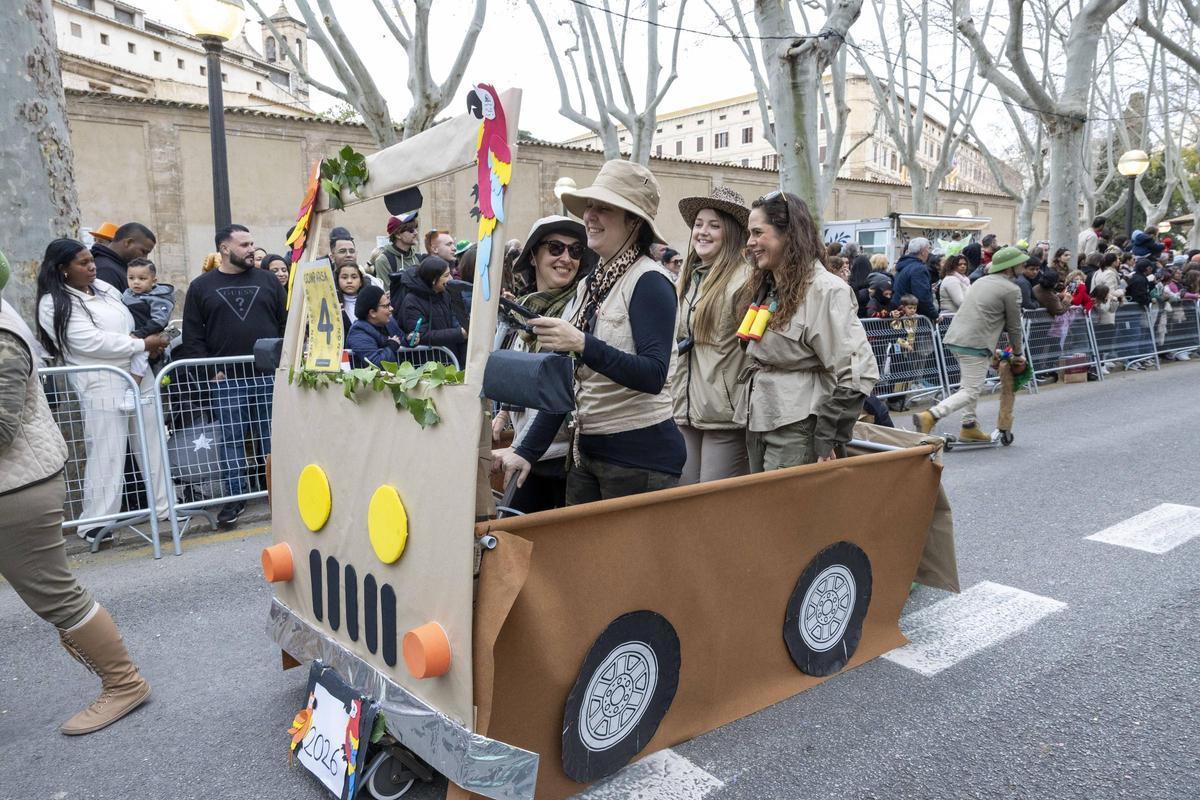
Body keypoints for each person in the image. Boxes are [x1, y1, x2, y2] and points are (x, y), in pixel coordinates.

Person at [0, 252, 152, 736]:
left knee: (56, 596)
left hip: (16, 487)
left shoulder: (4, 335)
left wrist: (134, 346)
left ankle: (123, 684)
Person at [496, 159, 684, 503]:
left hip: (639, 459)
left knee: (627, 559)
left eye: (604, 208)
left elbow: (654, 374)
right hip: (587, 455)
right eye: (589, 207)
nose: (590, 216)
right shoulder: (590, 285)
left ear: (633, 221)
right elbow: (566, 382)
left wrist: (582, 343)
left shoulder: (650, 281)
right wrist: (526, 449)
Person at [35, 240, 171, 542]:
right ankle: (96, 521)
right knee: (107, 449)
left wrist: (141, 345)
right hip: (101, 379)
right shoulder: (53, 303)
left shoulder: (106, 290)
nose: (92, 266)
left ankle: (166, 506)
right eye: (83, 263)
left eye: (91, 260)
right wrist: (141, 344)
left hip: (136, 369)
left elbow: (127, 322)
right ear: (63, 270)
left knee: (152, 440)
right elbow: (89, 342)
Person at [735, 191, 878, 470]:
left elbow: (859, 370)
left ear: (788, 233)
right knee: (765, 508)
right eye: (749, 234)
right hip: (760, 417)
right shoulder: (768, 286)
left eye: (757, 232)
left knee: (785, 511)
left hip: (798, 426)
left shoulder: (826, 290)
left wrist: (828, 436)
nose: (750, 242)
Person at [178, 224, 287, 526]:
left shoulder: (268, 281)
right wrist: (210, 371)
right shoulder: (201, 287)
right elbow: (193, 336)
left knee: (273, 437)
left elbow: (284, 324)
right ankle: (234, 499)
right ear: (224, 249)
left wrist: (283, 361)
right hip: (229, 381)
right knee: (231, 439)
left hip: (268, 376)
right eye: (244, 245)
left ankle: (279, 494)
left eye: (252, 243)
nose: (251, 249)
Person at [490, 216, 591, 513]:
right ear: (533, 256)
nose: (566, 258)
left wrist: (525, 448)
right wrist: (504, 414)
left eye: (575, 251)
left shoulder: (581, 312)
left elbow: (563, 386)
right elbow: (522, 371)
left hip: (563, 458)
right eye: (556, 248)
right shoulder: (525, 311)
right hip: (529, 452)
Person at [672, 187, 751, 485]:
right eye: (699, 224)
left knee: (714, 506)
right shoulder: (689, 279)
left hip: (724, 417)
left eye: (714, 225)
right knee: (684, 496)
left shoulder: (745, 281)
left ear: (730, 233)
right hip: (685, 411)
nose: (703, 232)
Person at [913, 246, 1027, 441]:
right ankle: (931, 415)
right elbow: (1015, 327)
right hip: (975, 343)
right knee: (972, 389)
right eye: (1021, 264)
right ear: (1010, 268)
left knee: (968, 386)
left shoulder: (981, 281)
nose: (1023, 266)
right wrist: (1017, 353)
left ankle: (969, 425)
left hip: (957, 338)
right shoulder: (1011, 289)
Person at [121, 258, 175, 405]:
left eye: (142, 278)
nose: (136, 282)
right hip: (132, 336)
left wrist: (139, 334)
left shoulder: (160, 298)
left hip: (148, 336)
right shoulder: (127, 294)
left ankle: (133, 390)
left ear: (153, 280)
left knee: (140, 360)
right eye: (131, 278)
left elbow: (159, 321)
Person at [399, 256, 467, 366]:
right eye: (446, 275)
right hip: (428, 363)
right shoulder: (412, 301)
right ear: (433, 280)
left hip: (451, 358)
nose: (451, 278)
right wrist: (459, 334)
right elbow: (422, 335)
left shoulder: (446, 293)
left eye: (450, 274)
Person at [345, 285, 405, 368]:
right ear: (372, 312)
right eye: (386, 306)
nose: (391, 308)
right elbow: (375, 364)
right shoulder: (358, 334)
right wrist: (391, 347)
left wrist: (409, 340)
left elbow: (400, 339)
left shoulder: (389, 322)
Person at [90, 222, 156, 292]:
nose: (145, 258)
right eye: (143, 252)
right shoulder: (106, 270)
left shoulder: (117, 266)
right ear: (128, 242)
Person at [891, 237, 938, 321]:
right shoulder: (919, 269)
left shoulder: (903, 266)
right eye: (928, 249)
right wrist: (934, 315)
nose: (929, 252)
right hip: (914, 320)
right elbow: (922, 296)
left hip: (903, 315)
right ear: (923, 252)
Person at [373, 212, 422, 281]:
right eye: (411, 230)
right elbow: (386, 290)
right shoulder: (384, 261)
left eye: (415, 228)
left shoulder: (419, 257)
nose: (416, 233)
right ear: (398, 235)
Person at [335, 263, 365, 330]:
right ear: (337, 281)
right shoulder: (334, 303)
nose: (349, 281)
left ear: (361, 282)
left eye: (354, 277)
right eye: (344, 277)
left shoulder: (369, 301)